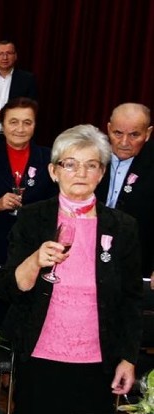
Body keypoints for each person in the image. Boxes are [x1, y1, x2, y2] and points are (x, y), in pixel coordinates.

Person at [0, 124, 142, 414]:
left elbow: (132, 299)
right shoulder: (33, 217)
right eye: (71, 164)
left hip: (100, 362)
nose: (81, 173)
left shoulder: (123, 226)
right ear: (53, 171)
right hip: (42, 355)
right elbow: (9, 288)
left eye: (92, 165)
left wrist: (128, 357)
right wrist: (35, 261)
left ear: (102, 172)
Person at [0, 97, 57, 296]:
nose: (20, 129)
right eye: (13, 122)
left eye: (27, 122)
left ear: (35, 125)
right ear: (2, 125)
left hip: (33, 246)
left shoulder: (49, 159)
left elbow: (56, 206)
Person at [94, 103, 154, 285]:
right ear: (108, 129)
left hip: (137, 259)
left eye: (134, 135)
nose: (124, 142)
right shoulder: (91, 154)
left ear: (148, 134)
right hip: (89, 257)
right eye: (117, 133)